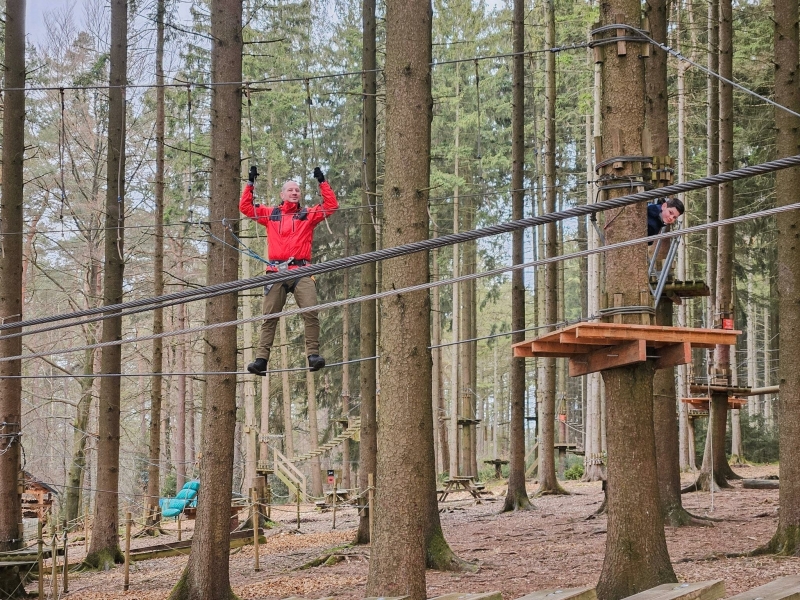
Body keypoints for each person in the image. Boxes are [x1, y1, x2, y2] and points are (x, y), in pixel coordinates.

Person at [239, 166, 339, 375]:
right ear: (282, 194)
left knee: (310, 311)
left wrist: (322, 181)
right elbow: (246, 208)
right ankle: (261, 360)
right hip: (277, 270)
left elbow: (331, 206)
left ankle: (313, 355)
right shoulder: (270, 214)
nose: (295, 192)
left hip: (302, 270)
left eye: (298, 190)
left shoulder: (307, 215)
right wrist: (250, 184)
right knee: (269, 316)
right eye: (291, 190)